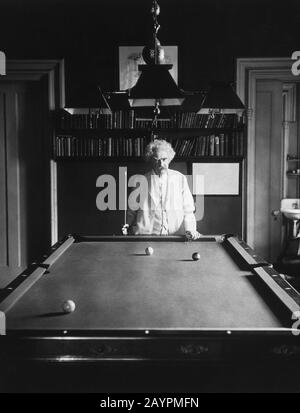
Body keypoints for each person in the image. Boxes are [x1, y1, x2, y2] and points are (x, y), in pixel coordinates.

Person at [123, 139, 201, 240]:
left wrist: (190, 229)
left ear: (169, 159)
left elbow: (188, 209)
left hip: (175, 236)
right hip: (146, 235)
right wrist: (126, 225)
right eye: (157, 159)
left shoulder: (180, 178)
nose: (161, 164)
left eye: (164, 159)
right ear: (151, 160)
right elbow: (132, 211)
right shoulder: (140, 181)